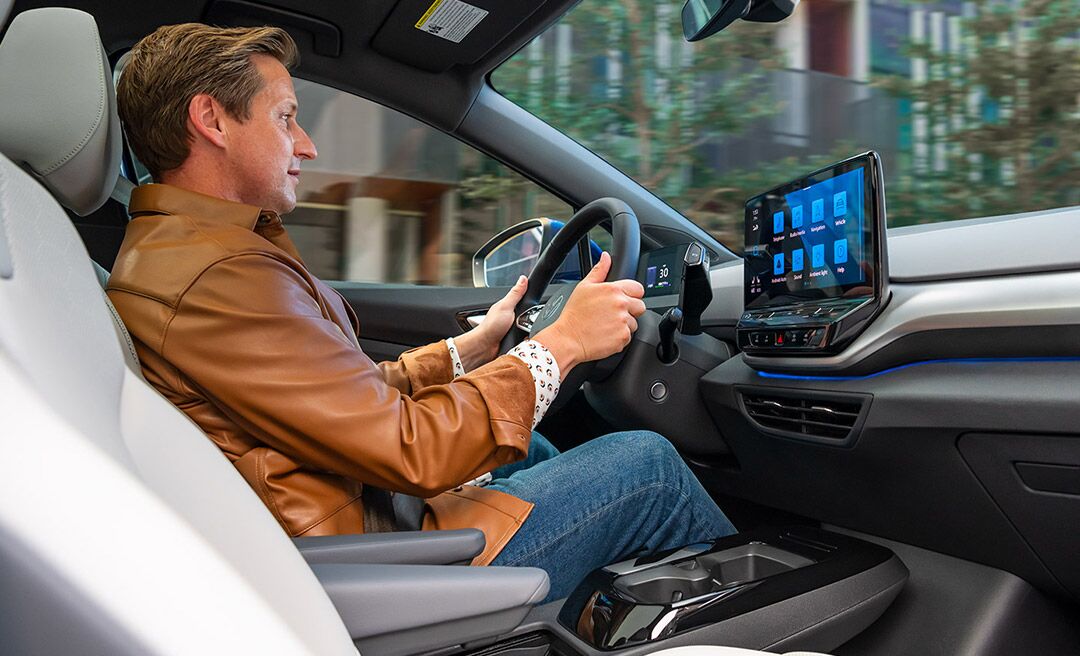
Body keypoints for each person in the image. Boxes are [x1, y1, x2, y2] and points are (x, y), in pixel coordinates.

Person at [107, 23, 735, 600]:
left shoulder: (193, 253)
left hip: (369, 515)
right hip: (384, 560)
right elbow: (410, 448)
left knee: (536, 446)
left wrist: (477, 347)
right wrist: (563, 343)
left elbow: (337, 398)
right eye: (286, 117)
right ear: (212, 120)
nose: (307, 144)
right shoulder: (218, 276)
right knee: (646, 468)